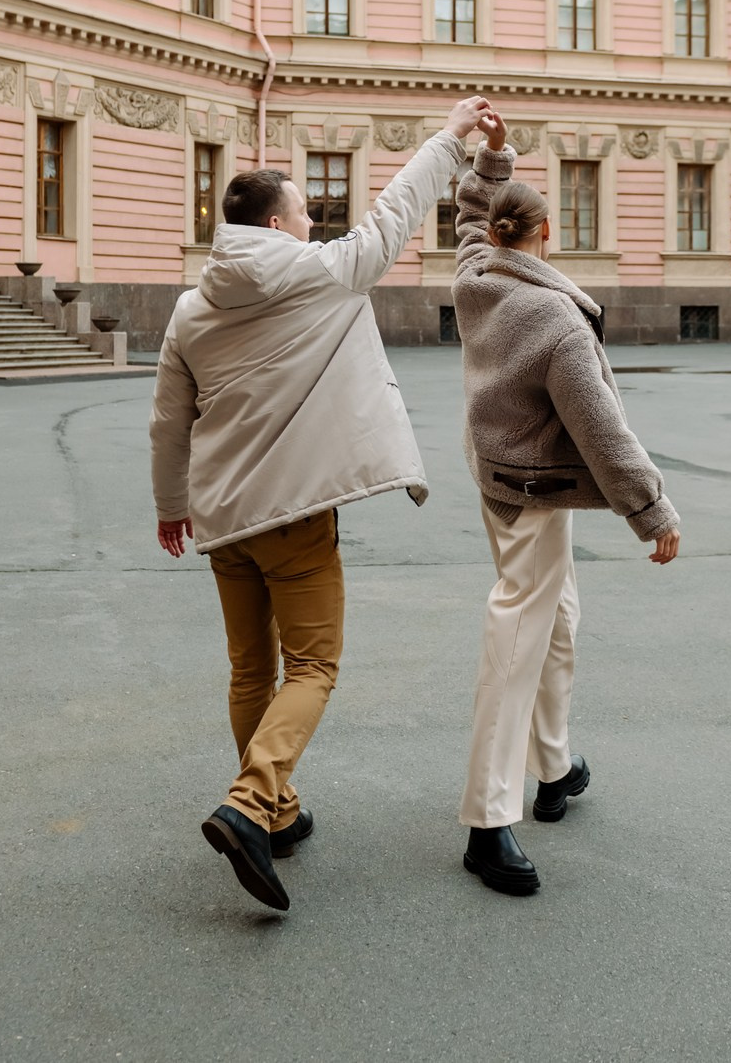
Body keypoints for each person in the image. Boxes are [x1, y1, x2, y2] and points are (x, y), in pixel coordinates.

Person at [151, 96, 494, 913]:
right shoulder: (317, 274)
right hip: (296, 515)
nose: (314, 224)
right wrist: (449, 139)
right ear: (274, 223)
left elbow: (170, 417)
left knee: (249, 668)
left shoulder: (191, 306)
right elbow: (394, 215)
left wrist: (172, 506)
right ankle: (248, 801)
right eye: (304, 212)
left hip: (222, 518)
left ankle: (278, 811)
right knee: (312, 666)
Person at [452, 103, 681, 897]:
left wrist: (492, 158)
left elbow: (468, 219)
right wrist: (650, 510)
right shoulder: (554, 319)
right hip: (535, 491)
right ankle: (488, 821)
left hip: (496, 474)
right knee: (518, 631)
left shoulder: (476, 273)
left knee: (559, 617)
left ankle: (552, 767)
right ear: (547, 235)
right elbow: (602, 430)